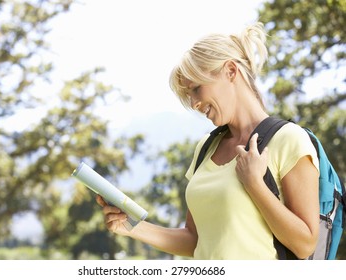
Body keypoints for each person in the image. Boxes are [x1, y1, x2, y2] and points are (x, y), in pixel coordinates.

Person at [96, 22, 320, 260]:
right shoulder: (206, 148)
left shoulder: (289, 139)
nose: (194, 104)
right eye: (188, 96)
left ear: (231, 71)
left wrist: (255, 184)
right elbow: (195, 239)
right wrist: (131, 227)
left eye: (196, 89)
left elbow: (305, 245)